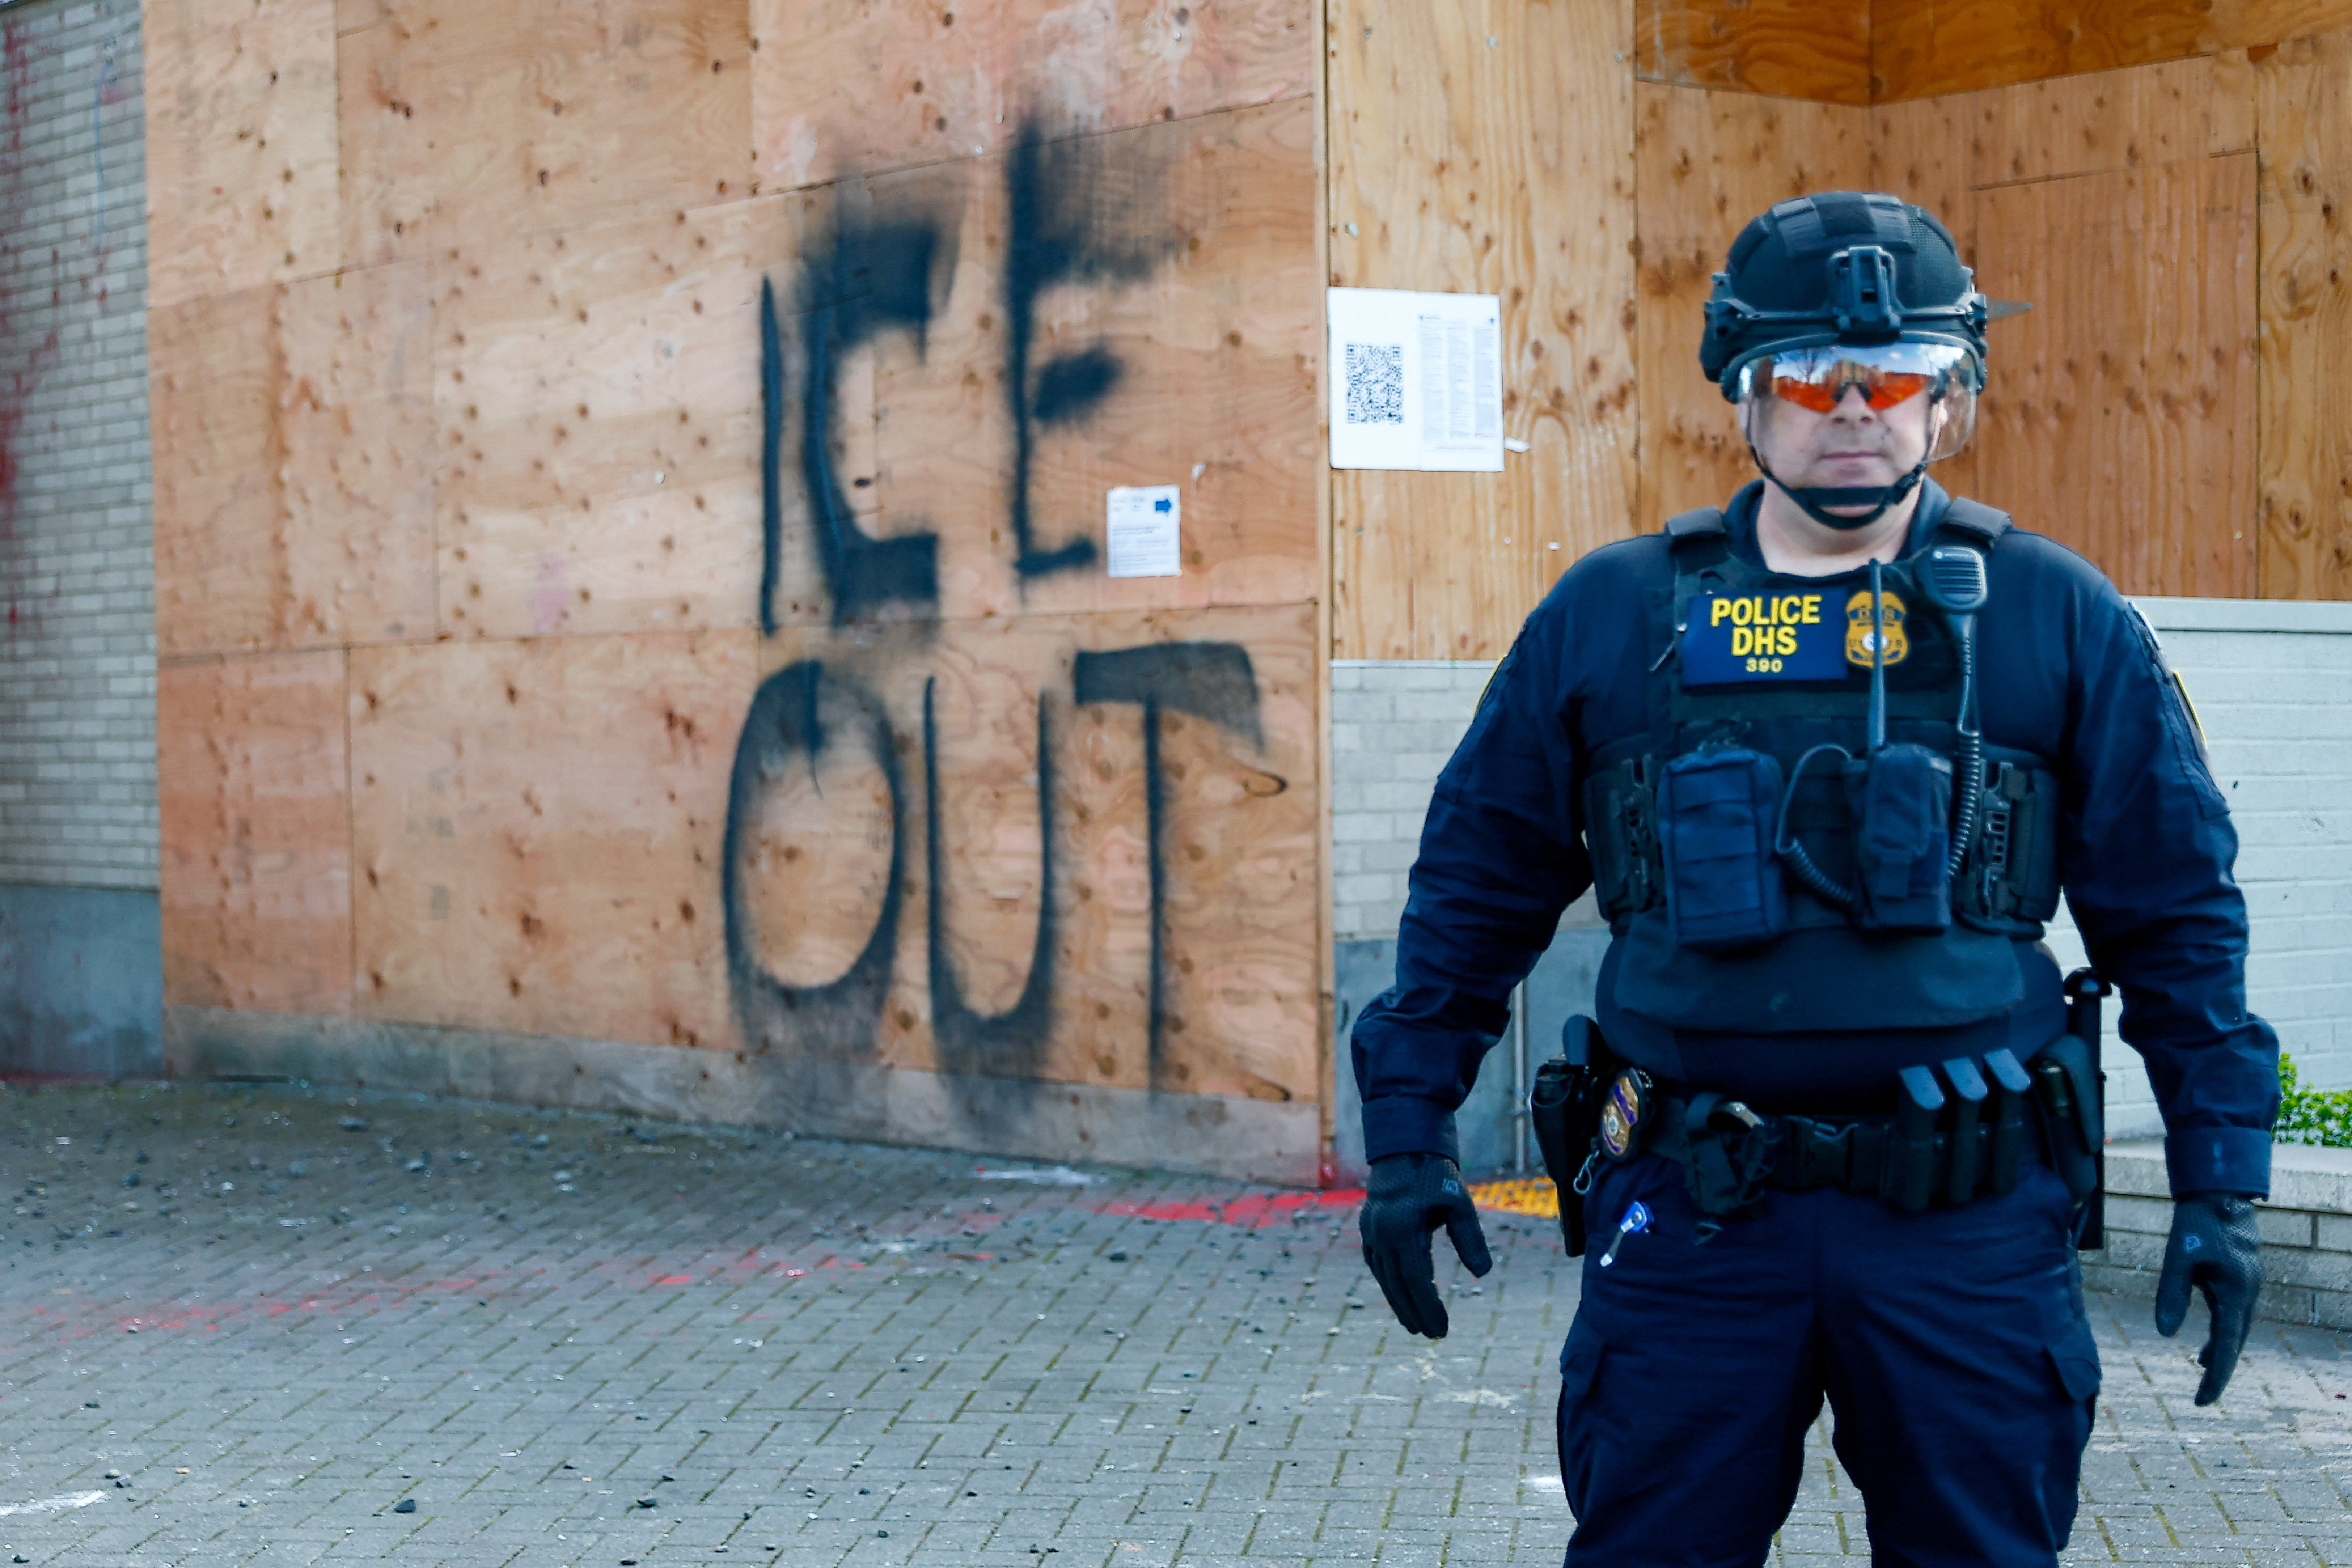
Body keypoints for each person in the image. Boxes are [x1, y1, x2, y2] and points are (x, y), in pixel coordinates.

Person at [1349, 191, 2278, 1567]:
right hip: (1689, 1220)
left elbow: (2177, 916)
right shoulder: (1613, 617)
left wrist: (2218, 1183)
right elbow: (1474, 888)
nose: (1853, 409)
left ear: (1948, 400)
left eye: (1894, 375)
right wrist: (1406, 1138)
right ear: (1742, 392)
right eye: (1807, 376)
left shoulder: (2049, 613)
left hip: (1965, 1232)